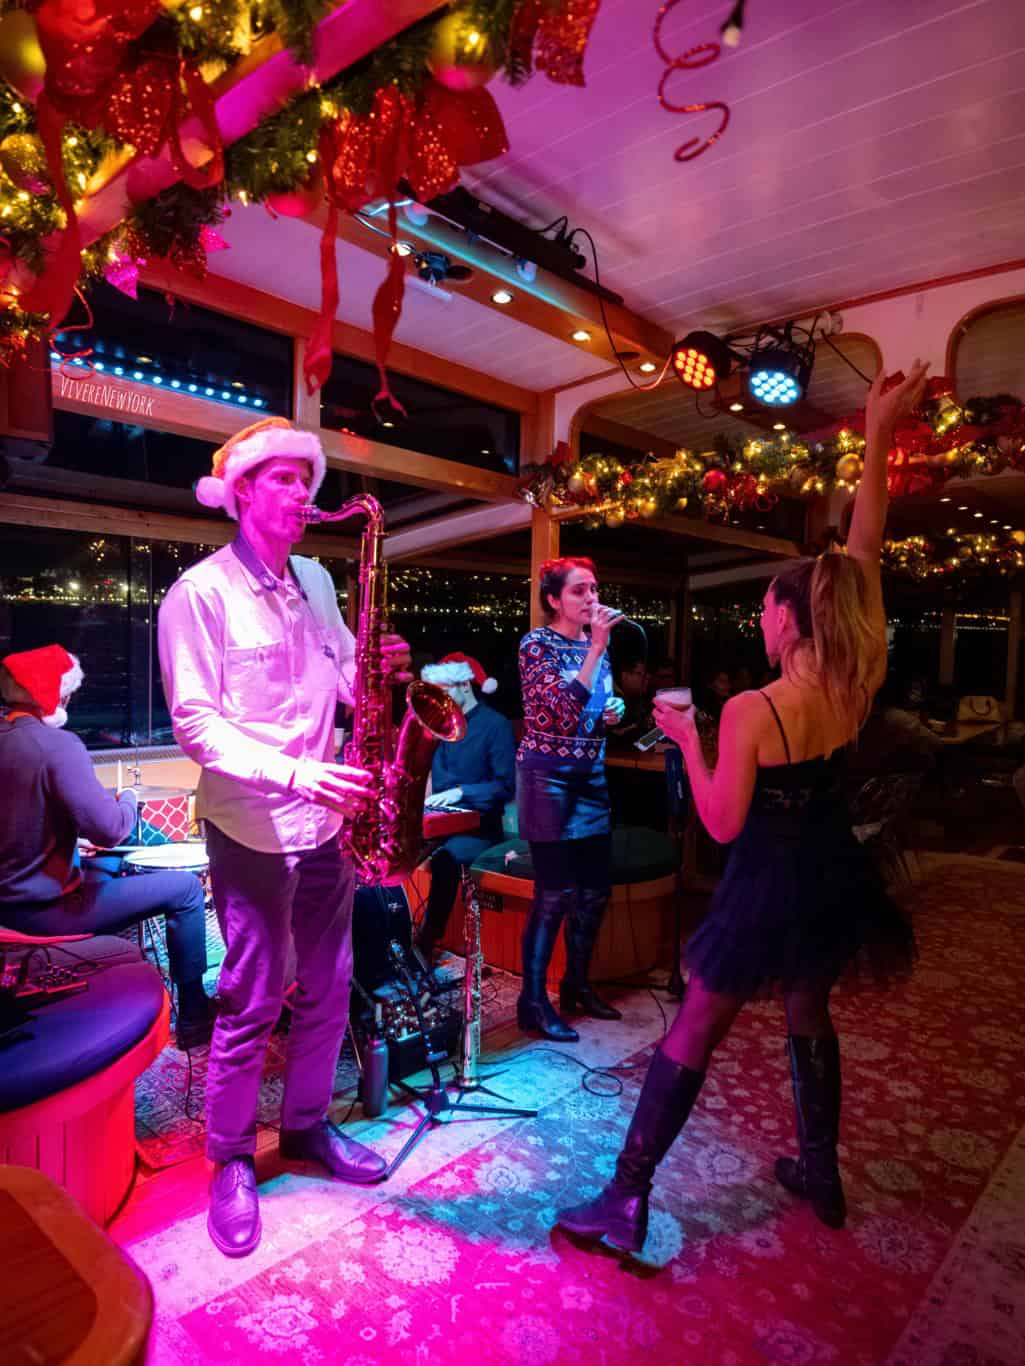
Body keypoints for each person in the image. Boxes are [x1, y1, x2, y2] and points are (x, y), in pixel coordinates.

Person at [556, 361, 929, 1253]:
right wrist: (877, 432)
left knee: (696, 1023)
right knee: (808, 1012)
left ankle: (625, 1199)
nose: (758, 621)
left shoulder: (755, 708)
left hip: (766, 879)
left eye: (764, 609)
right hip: (833, 871)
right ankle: (820, 1173)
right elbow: (863, 554)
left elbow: (722, 825)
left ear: (791, 619)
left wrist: (687, 739)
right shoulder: (855, 677)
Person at [158, 416, 411, 1258]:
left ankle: (306, 1128)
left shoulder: (316, 577)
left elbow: (340, 675)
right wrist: (297, 773)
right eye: (284, 479)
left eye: (308, 479)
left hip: (326, 822)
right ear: (241, 492)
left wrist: (375, 670)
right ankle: (230, 1157)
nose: (304, 493)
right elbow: (197, 724)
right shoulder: (198, 593)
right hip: (251, 824)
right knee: (252, 996)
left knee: (330, 986)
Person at [0, 644, 212, 1049]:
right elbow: (111, 830)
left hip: (6, 911)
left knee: (110, 865)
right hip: (43, 915)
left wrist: (69, 841)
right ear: (54, 695)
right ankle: (195, 1017)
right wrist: (129, 798)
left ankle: (117, 971)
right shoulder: (57, 747)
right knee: (185, 889)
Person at [515, 557, 626, 1041]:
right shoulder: (536, 645)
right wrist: (596, 648)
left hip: (591, 775)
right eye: (580, 590)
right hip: (547, 777)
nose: (592, 598)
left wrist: (612, 708)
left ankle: (577, 985)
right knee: (553, 894)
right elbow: (560, 711)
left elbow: (591, 706)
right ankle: (533, 1002)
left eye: (594, 589)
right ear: (554, 600)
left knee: (596, 890)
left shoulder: (594, 646)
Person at [415, 652, 516, 961]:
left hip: (480, 826)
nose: (438, 701)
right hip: (442, 822)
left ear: (464, 686)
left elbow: (506, 786)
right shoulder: (441, 725)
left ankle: (425, 944)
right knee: (396, 851)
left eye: (443, 692)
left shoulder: (495, 726)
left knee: (446, 861)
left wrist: (461, 793)